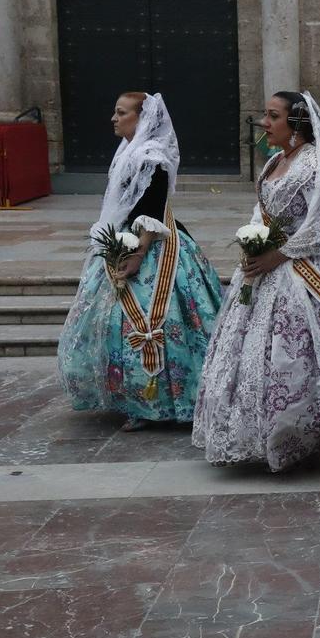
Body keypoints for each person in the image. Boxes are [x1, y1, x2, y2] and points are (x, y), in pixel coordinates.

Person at [193, 91, 320, 470]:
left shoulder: (313, 163)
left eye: (273, 116)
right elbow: (262, 208)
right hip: (265, 267)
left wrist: (279, 254)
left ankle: (299, 435)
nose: (264, 122)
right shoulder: (276, 160)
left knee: (294, 353)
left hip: (303, 269)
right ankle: (252, 431)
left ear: (296, 125)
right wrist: (253, 240)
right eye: (266, 114)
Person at [57, 92, 224, 429]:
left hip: (149, 246)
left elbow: (152, 208)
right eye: (115, 112)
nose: (114, 119)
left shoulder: (152, 156)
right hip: (123, 238)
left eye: (121, 113)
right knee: (115, 322)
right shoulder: (127, 152)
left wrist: (138, 253)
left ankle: (158, 401)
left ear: (141, 117)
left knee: (155, 320)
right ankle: (126, 394)